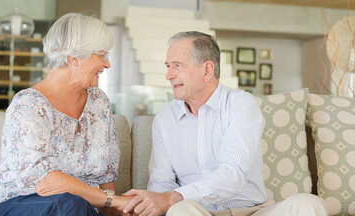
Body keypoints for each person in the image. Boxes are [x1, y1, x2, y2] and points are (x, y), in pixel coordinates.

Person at [122, 31, 327, 216]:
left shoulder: (241, 104)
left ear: (207, 69)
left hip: (250, 211)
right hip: (198, 212)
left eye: (177, 65)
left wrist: (172, 197)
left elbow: (232, 176)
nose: (169, 75)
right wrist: (149, 205)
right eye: (168, 66)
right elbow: (161, 182)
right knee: (180, 212)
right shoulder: (165, 118)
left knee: (309, 204)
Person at [0, 13, 132, 215]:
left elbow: (106, 176)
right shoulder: (29, 105)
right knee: (70, 203)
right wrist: (113, 201)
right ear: (74, 57)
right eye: (101, 55)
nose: (107, 64)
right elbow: (45, 182)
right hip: (22, 205)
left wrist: (123, 209)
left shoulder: (99, 102)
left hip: (81, 209)